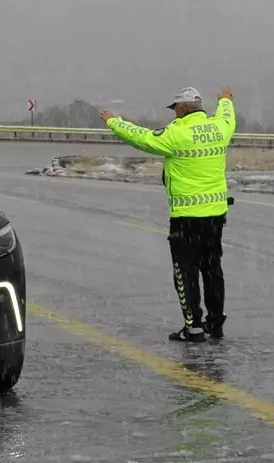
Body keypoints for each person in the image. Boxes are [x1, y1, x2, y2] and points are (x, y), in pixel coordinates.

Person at [100, 86, 236, 342]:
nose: (174, 114)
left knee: (185, 272)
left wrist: (114, 122)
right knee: (212, 269)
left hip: (186, 217)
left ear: (183, 108)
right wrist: (226, 100)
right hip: (216, 215)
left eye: (175, 109)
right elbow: (228, 116)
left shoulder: (177, 134)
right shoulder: (219, 128)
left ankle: (193, 327)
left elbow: (142, 137)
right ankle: (215, 324)